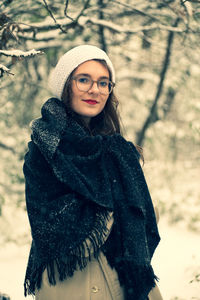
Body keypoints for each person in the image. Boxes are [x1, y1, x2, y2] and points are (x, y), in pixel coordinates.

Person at [23, 45, 163, 300]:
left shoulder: (116, 149)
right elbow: (50, 227)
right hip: (71, 283)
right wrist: (113, 206)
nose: (94, 90)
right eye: (84, 80)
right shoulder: (44, 149)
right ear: (65, 85)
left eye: (103, 83)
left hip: (127, 280)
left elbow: (142, 220)